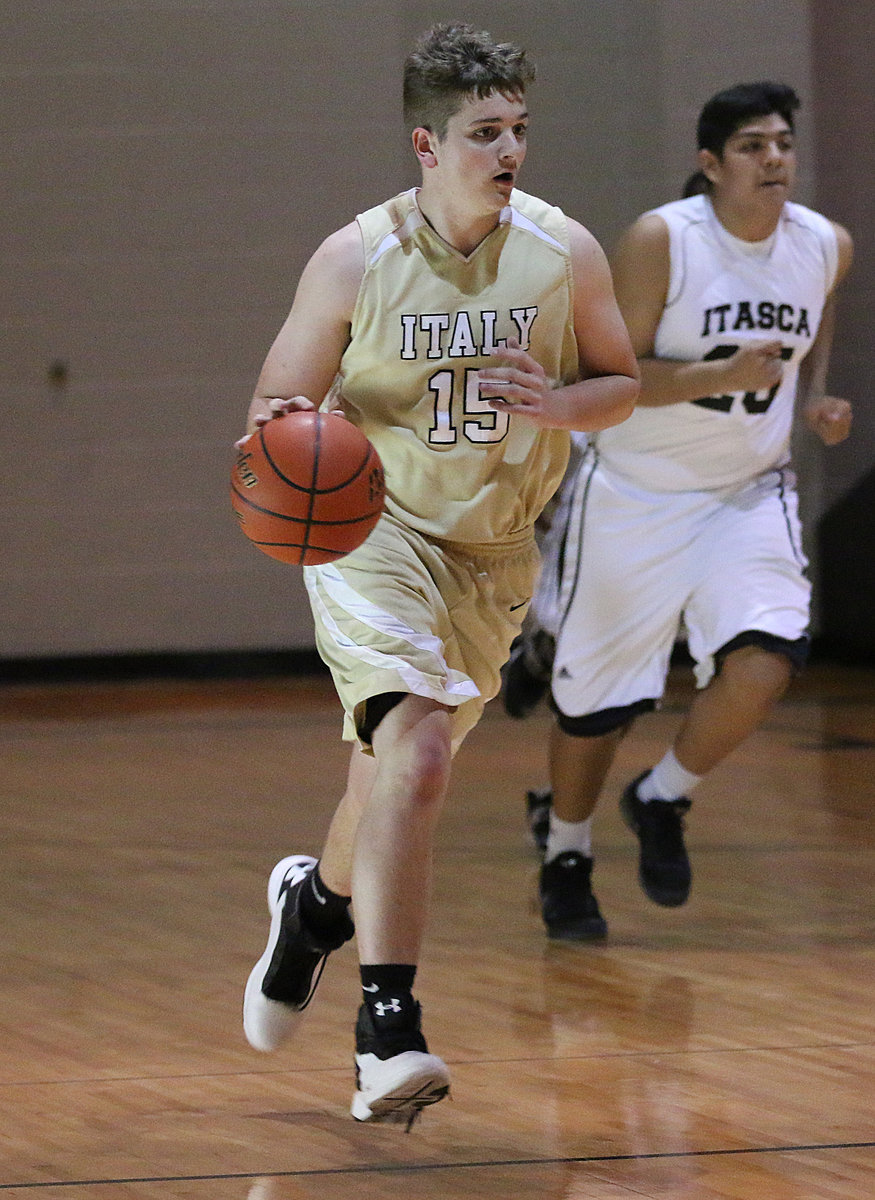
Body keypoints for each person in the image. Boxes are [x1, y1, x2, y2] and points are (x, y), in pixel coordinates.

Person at [239, 22, 639, 1128]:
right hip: (373, 537)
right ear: (426, 141)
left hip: (491, 550)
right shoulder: (355, 258)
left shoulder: (563, 251)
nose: (507, 150)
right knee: (413, 752)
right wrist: (293, 439)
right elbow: (273, 408)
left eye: (517, 129)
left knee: (385, 783)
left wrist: (559, 404)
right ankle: (387, 1029)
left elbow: (620, 381)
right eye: (482, 133)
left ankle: (314, 908)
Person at [503, 81, 854, 942]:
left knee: (768, 659)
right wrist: (715, 378)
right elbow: (609, 382)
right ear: (709, 164)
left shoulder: (824, 243)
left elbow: (817, 323)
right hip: (634, 494)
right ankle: (568, 856)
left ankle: (660, 797)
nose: (773, 159)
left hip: (747, 492)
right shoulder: (663, 240)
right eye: (751, 147)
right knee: (596, 708)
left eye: (782, 144)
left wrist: (815, 399)